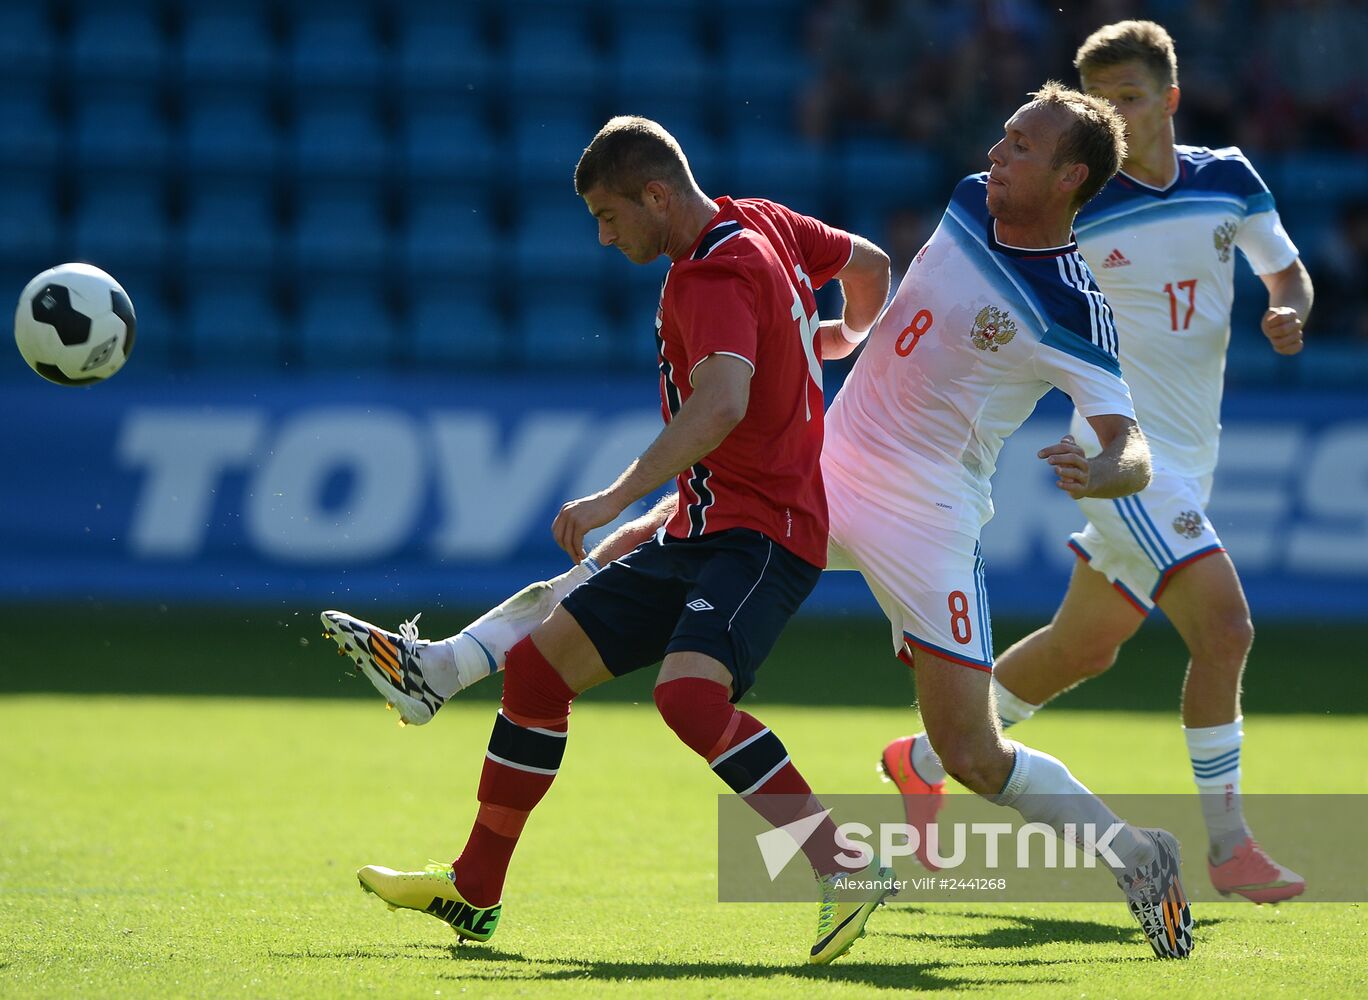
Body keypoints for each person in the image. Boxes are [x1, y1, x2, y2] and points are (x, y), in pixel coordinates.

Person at [329, 85, 1197, 961]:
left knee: (970, 754)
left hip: (927, 520)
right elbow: (869, 267)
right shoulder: (970, 200)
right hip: (819, 470)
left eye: (1020, 148)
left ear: (1070, 175)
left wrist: (1104, 473)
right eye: (1003, 136)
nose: (996, 156)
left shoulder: (1072, 305)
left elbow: (1133, 448)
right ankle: (442, 669)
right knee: (637, 545)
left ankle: (1139, 856)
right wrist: (850, 335)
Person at [323, 115, 897, 965]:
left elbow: (722, 404)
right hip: (705, 526)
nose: (603, 236)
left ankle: (843, 866)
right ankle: (475, 889)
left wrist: (613, 495)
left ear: (656, 193)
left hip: (761, 536)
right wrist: (839, 340)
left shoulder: (708, 275)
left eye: (609, 215)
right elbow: (873, 267)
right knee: (537, 668)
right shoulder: (766, 222)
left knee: (690, 699)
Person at [885, 20, 1314, 907]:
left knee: (1083, 651)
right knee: (1226, 629)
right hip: (1120, 454)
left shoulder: (1229, 178)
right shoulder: (1081, 205)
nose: (1116, 114)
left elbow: (1288, 270)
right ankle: (1231, 848)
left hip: (1194, 453)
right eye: (1101, 100)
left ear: (1170, 98)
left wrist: (1288, 307)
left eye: (1129, 97)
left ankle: (922, 758)